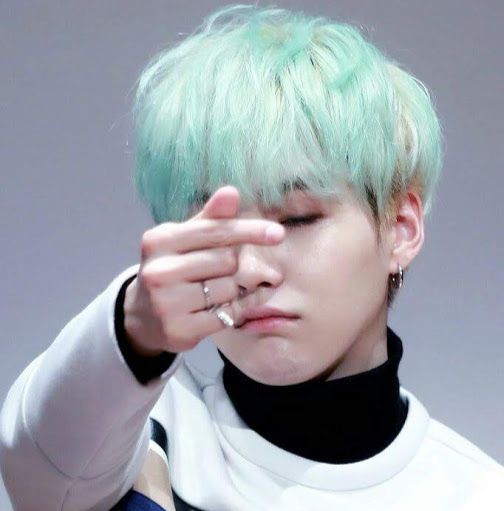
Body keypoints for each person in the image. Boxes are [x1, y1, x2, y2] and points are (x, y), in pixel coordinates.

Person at [1, 4, 502, 511]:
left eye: (298, 218)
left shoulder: (480, 494)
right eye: (219, 228)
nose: (250, 270)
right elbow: (40, 465)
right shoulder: (138, 438)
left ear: (401, 228)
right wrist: (133, 329)